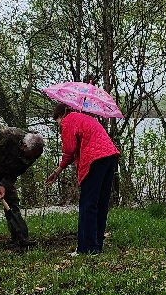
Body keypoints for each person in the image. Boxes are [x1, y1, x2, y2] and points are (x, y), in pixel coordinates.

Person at [45, 103, 121, 256]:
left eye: (57, 121)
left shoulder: (68, 121)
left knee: (88, 204)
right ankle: (96, 245)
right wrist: (59, 170)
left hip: (95, 160)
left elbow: (69, 150)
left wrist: (58, 170)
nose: (59, 125)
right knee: (100, 203)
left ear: (62, 115)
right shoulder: (85, 118)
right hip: (110, 157)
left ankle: (86, 249)